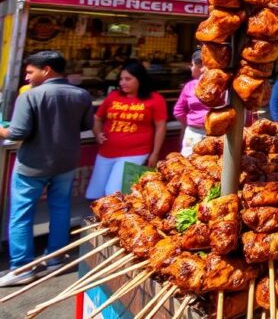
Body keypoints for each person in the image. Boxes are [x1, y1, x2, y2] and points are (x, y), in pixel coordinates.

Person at [0, 52, 93, 286]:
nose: (27, 77)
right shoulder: (81, 95)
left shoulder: (30, 96)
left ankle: (22, 267)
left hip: (32, 164)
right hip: (66, 162)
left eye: (30, 72)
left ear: (47, 70)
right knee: (61, 209)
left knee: (21, 215)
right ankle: (56, 258)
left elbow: (17, 133)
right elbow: (86, 125)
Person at [86, 62, 167, 199]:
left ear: (140, 80)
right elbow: (97, 118)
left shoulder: (155, 99)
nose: (123, 83)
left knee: (113, 192)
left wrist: (155, 153)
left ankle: (113, 219)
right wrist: (97, 133)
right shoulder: (113, 96)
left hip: (135, 152)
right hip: (106, 152)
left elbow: (161, 127)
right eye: (121, 79)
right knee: (94, 193)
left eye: (128, 79)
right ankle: (100, 218)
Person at [173, 51, 209, 157]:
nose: (191, 68)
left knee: (189, 164)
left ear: (202, 66)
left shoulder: (190, 86)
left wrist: (189, 123)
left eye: (192, 65)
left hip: (194, 133)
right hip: (215, 133)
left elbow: (178, 111)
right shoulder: (224, 85)